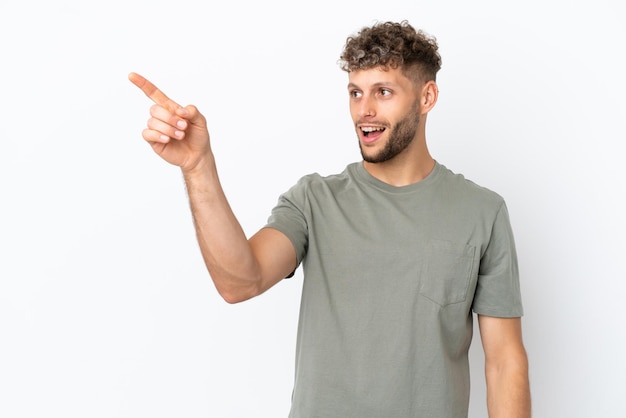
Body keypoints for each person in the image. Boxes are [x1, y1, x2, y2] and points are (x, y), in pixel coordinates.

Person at [129, 20, 530, 418]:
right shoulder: (314, 201)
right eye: (355, 93)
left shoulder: (481, 211)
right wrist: (199, 166)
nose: (364, 110)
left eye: (383, 92)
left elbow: (504, 362)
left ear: (427, 98)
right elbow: (239, 282)